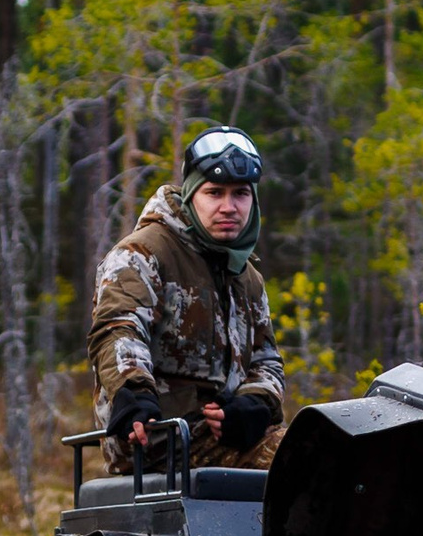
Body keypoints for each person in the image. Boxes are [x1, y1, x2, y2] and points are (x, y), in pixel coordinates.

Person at [89, 125, 287, 471]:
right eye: (214, 192)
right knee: (307, 459)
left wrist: (255, 403)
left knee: (327, 448)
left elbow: (266, 360)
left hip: (224, 440)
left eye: (240, 194)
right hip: (157, 438)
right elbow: (118, 329)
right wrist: (134, 393)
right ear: (192, 194)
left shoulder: (246, 275)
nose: (229, 207)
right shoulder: (143, 253)